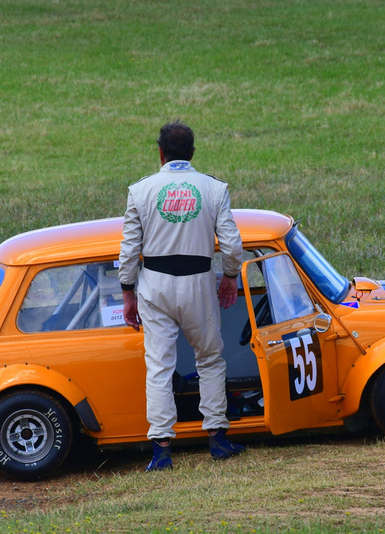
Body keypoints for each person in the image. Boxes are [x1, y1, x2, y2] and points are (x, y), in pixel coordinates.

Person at [118, 120, 246, 471]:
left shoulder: (140, 191)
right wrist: (229, 278)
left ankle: (161, 450)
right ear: (192, 153)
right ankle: (217, 438)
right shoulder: (213, 189)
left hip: (154, 283)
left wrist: (127, 292)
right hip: (199, 282)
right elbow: (232, 246)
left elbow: (129, 250)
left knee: (159, 365)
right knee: (209, 358)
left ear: (160, 153)